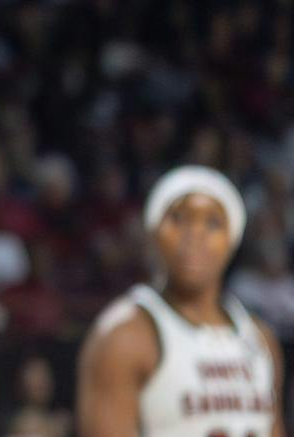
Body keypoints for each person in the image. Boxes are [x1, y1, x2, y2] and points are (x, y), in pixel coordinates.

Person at [76, 166, 284, 436]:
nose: (194, 235)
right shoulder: (123, 334)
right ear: (153, 232)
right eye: (179, 218)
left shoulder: (261, 339)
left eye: (212, 223)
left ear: (232, 239)